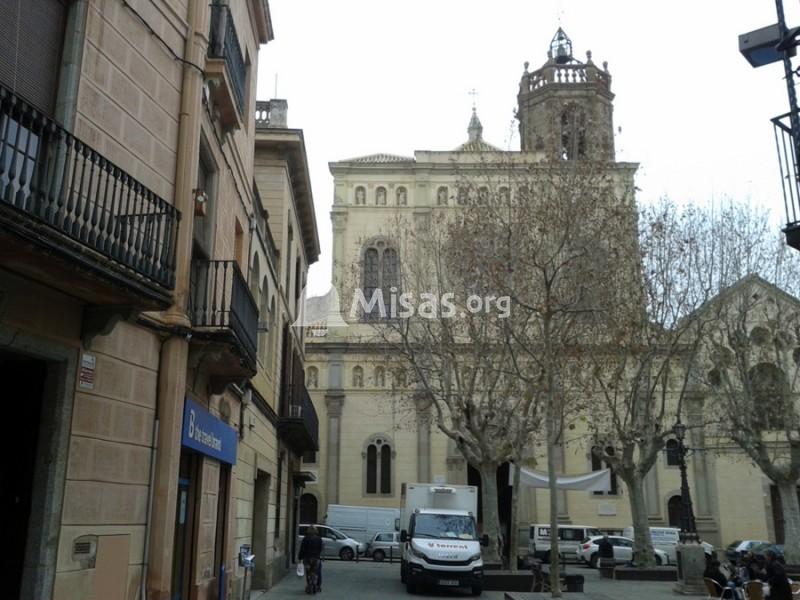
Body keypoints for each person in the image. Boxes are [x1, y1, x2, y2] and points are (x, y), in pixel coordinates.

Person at [298, 526, 324, 593]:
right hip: (316, 558)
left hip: (307, 558)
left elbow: (302, 549)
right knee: (317, 572)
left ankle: (309, 586)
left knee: (308, 572)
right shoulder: (319, 539)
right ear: (316, 531)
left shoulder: (305, 539)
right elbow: (321, 549)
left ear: (308, 531)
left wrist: (300, 557)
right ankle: (317, 586)